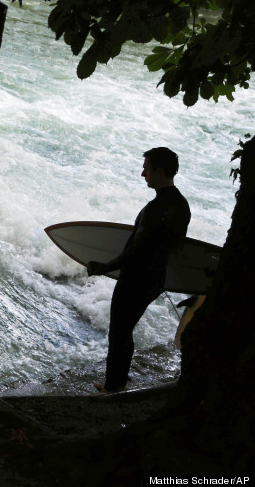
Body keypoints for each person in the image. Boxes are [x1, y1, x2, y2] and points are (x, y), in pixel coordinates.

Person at [87, 147, 191, 393]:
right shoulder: (182, 205)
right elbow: (174, 247)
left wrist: (104, 267)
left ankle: (113, 386)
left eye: (147, 168)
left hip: (136, 277)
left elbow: (136, 249)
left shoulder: (155, 208)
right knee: (126, 329)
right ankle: (119, 379)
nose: (143, 173)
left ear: (160, 171)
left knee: (119, 331)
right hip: (156, 279)